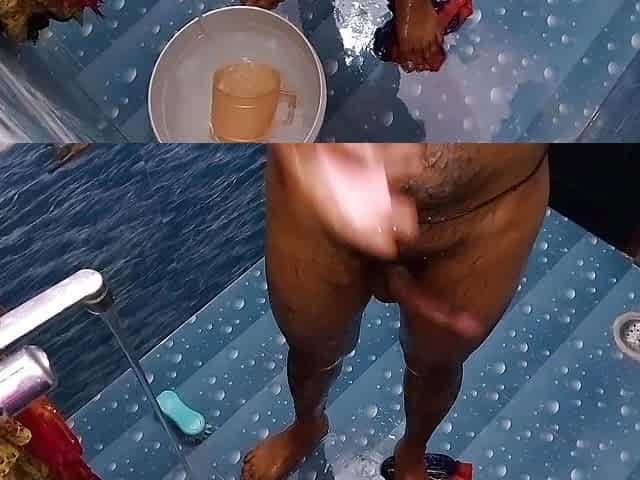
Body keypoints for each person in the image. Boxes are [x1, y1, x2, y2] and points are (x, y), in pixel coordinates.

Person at [242, 144, 550, 480]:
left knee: (438, 365)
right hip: (318, 188)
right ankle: (307, 425)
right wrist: (301, 156)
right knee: (311, 347)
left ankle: (412, 453)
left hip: (491, 208)